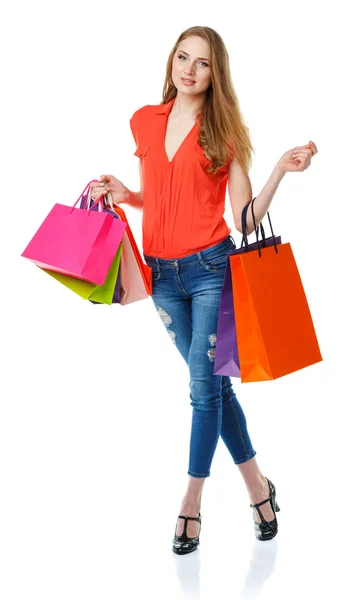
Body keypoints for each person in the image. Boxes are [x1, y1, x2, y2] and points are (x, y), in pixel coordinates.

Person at [90, 26, 317, 555]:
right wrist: (129, 195)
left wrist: (279, 171)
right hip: (161, 277)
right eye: (183, 58)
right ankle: (260, 490)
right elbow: (164, 194)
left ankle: (190, 503)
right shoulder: (144, 120)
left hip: (212, 270)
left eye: (203, 63)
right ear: (172, 60)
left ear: (217, 75)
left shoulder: (223, 131)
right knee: (215, 388)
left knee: (200, 389)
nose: (189, 69)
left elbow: (243, 220)